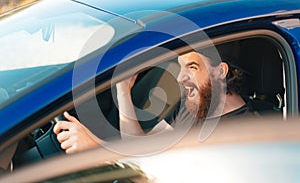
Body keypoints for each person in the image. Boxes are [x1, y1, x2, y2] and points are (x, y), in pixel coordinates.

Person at [53, 45, 259, 154]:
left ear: (220, 71)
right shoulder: (193, 106)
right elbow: (139, 148)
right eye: (180, 67)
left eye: (192, 67)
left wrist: (99, 150)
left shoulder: (246, 133)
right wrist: (123, 91)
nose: (180, 77)